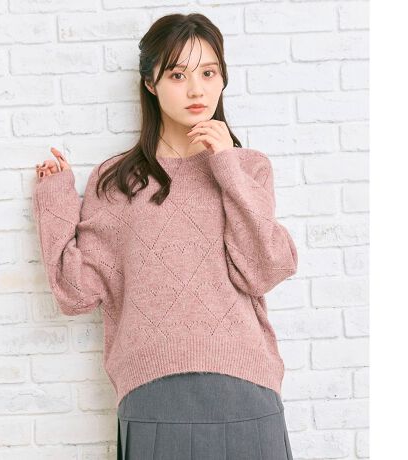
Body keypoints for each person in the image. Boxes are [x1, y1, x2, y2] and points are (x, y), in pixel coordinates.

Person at [33, 13, 297, 460]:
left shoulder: (248, 168)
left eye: (208, 73)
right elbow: (76, 294)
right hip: (152, 394)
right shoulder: (117, 180)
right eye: (177, 75)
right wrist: (55, 197)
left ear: (223, 79)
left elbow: (265, 269)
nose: (196, 90)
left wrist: (225, 165)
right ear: (150, 83)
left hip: (246, 388)